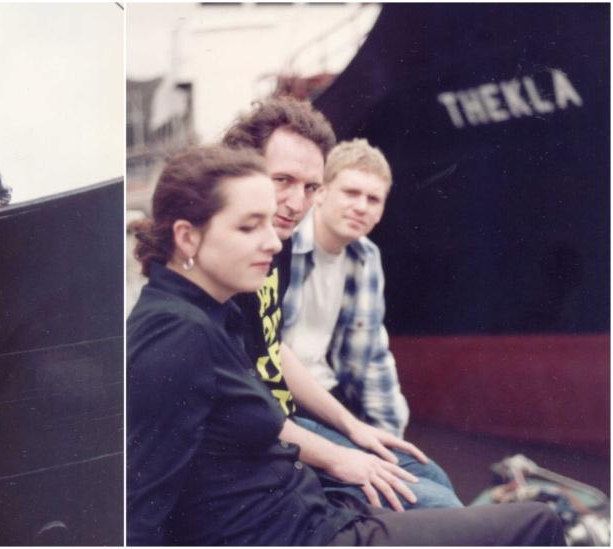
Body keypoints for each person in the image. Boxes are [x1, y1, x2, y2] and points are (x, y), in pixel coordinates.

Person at [126, 144, 563, 546]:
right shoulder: (174, 335)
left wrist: (364, 437)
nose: (274, 241)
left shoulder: (214, 312)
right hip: (304, 537)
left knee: (439, 486)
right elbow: (140, 505)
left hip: (314, 516)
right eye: (248, 226)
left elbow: (369, 359)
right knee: (537, 524)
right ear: (187, 237)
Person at [222, 97, 461, 509]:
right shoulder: (261, 248)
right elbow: (243, 392)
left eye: (374, 199)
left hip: (309, 407)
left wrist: (367, 431)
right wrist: (341, 455)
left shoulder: (357, 257)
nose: (295, 202)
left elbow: (362, 356)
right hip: (274, 427)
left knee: (429, 475)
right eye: (282, 180)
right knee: (434, 506)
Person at [282, 138, 408, 437]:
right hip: (281, 402)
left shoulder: (367, 258)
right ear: (321, 193)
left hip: (332, 401)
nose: (361, 207)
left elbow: (374, 356)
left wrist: (391, 439)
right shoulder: (282, 245)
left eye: (373, 199)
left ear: (381, 211)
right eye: (351, 193)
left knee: (426, 476)